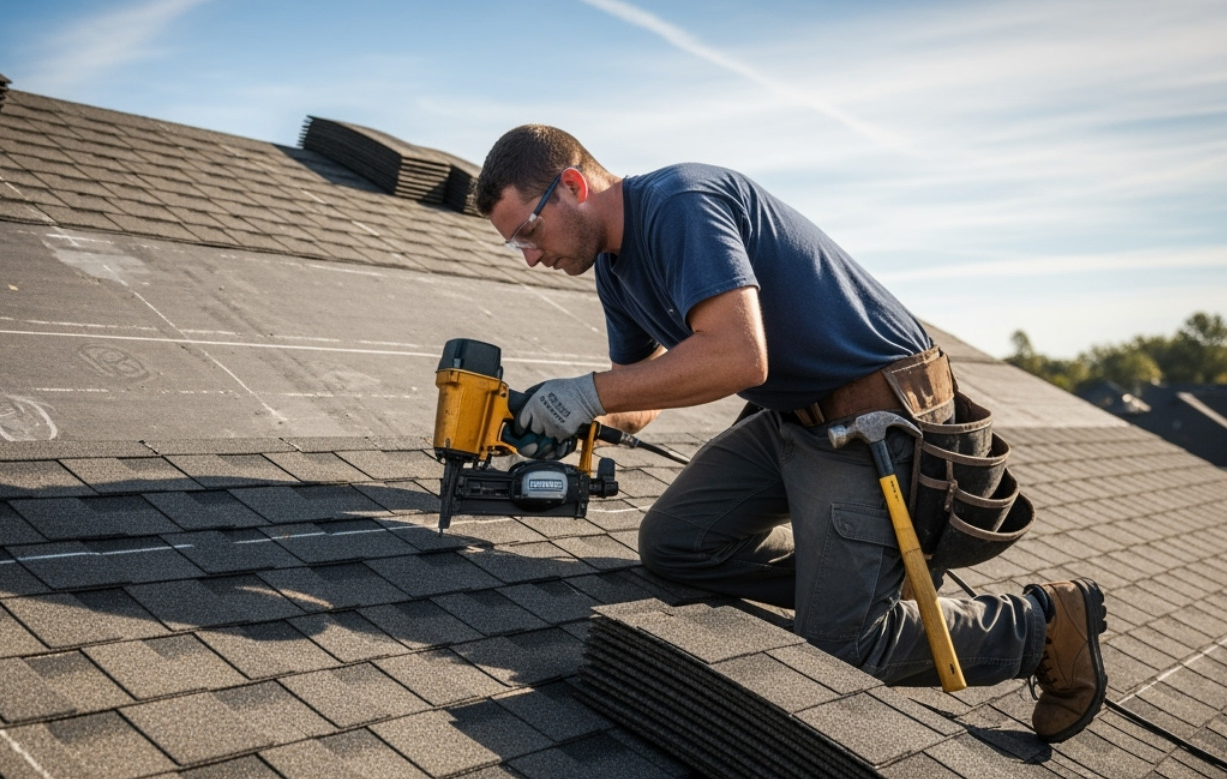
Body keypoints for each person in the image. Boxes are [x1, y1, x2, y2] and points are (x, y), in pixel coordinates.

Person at [474, 124, 1107, 743]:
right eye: (516, 246)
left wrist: (586, 393)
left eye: (529, 231)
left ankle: (1041, 625)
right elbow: (641, 390)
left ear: (574, 185)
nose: (530, 255)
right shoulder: (614, 270)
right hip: (794, 419)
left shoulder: (680, 203)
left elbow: (739, 358)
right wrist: (575, 420)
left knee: (843, 647)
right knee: (674, 545)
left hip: (876, 419)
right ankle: (861, 575)